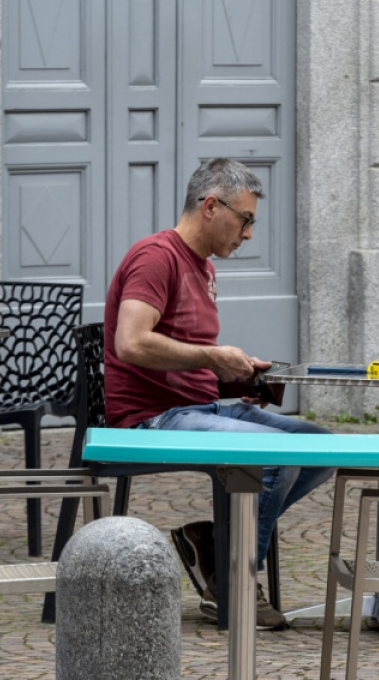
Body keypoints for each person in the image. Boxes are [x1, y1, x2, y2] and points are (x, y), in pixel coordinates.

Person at [104, 157, 332, 630]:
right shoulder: (156, 257)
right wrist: (213, 357)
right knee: (276, 456)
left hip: (198, 406)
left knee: (320, 449)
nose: (248, 234)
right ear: (211, 206)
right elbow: (131, 343)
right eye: (245, 219)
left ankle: (213, 543)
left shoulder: (203, 266)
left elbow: (185, 359)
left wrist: (238, 378)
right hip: (151, 418)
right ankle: (232, 581)